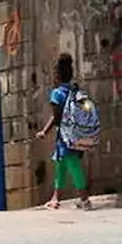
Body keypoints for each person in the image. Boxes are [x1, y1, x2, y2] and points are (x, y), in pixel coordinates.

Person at [35, 54, 91, 210]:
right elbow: (87, 107)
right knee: (60, 164)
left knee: (73, 164)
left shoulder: (57, 94)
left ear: (57, 76)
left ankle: (85, 198)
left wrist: (44, 132)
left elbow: (56, 117)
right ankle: (55, 198)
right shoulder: (75, 90)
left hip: (66, 136)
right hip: (77, 133)